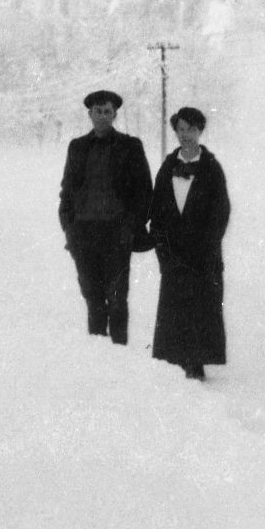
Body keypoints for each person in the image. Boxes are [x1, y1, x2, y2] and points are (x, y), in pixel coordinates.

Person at [59, 90, 153, 345]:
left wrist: (130, 227)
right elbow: (67, 191)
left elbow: (144, 191)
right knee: (93, 298)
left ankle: (119, 352)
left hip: (117, 234)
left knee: (117, 298)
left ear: (115, 115)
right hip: (84, 234)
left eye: (107, 111)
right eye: (98, 111)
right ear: (90, 114)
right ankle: (98, 354)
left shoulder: (130, 146)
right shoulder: (77, 147)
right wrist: (69, 228)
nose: (102, 116)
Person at [149, 107, 230, 381]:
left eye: (191, 129)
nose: (185, 135)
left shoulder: (212, 169)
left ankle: (196, 364)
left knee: (200, 310)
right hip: (173, 256)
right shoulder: (167, 168)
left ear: (200, 131)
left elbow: (220, 214)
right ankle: (175, 365)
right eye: (181, 129)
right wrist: (163, 251)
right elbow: (157, 214)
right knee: (175, 311)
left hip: (202, 257)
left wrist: (205, 248)